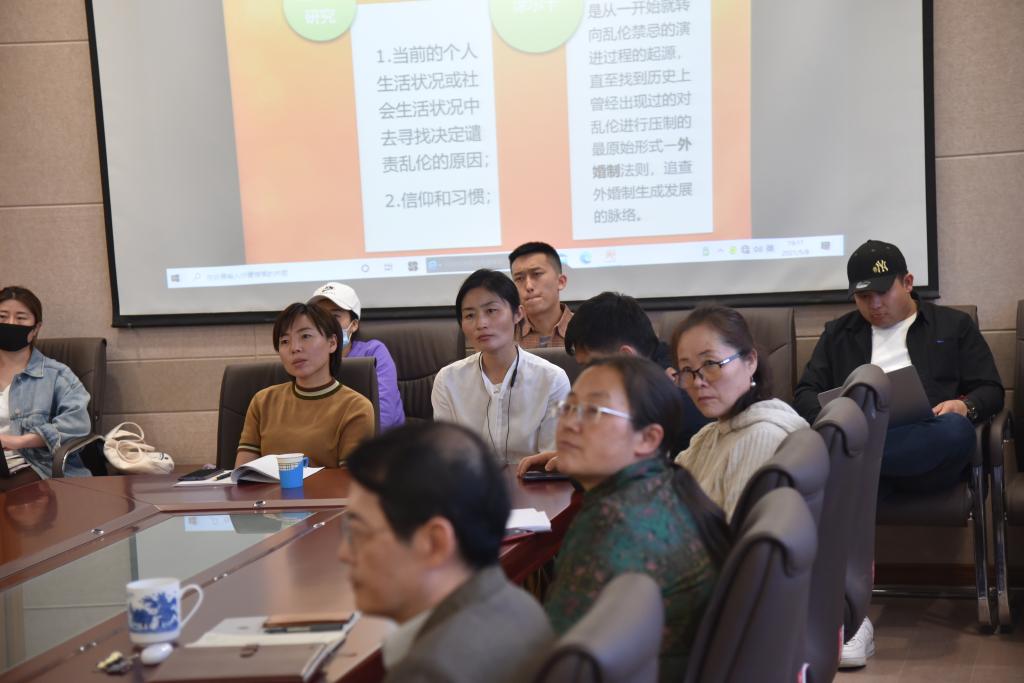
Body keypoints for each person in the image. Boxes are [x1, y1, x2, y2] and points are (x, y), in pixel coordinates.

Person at [792, 239, 1004, 668]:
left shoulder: (953, 325)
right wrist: (840, 417)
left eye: (882, 292)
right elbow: (806, 394)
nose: (873, 304)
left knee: (954, 431)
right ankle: (852, 621)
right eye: (862, 296)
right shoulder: (839, 334)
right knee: (843, 462)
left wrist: (964, 406)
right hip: (866, 460)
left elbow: (990, 390)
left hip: (926, 455)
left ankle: (852, 461)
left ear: (907, 282)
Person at [544, 356, 728, 682]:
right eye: (569, 407)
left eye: (593, 411)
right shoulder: (668, 483)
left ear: (648, 438)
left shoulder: (609, 525)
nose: (570, 423)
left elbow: (557, 665)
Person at [338, 422, 552, 682]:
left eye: (359, 533)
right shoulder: (522, 607)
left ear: (435, 543)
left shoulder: (427, 673)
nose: (343, 554)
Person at [516, 291, 710, 476]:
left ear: (626, 356)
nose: (588, 379)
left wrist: (583, 464)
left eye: (592, 367)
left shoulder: (672, 397)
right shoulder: (644, 379)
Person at [673, 305, 808, 520]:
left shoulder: (761, 437)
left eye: (710, 363)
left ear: (750, 361)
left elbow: (736, 536)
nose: (697, 382)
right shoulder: (710, 434)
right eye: (687, 370)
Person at [431, 269, 570, 463]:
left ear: (518, 314)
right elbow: (447, 456)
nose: (481, 324)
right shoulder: (448, 380)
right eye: (470, 315)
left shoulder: (552, 379)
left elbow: (552, 460)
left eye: (491, 311)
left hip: (532, 480)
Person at [235, 302, 374, 468]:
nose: (294, 348)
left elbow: (351, 479)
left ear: (332, 343)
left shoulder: (356, 407)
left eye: (306, 336)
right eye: (285, 341)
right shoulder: (263, 401)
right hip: (266, 487)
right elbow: (243, 473)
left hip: (327, 487)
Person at [0, 286, 91, 487]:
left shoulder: (57, 375)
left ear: (36, 328)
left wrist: (18, 441)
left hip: (36, 465)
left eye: (20, 318)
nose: (10, 323)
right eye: (2, 317)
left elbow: (77, 424)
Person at [310, 282, 406, 429]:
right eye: (319, 317)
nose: (325, 324)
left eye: (335, 316)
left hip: (382, 440)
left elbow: (383, 414)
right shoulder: (308, 358)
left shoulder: (373, 352)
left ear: (354, 325)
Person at [508, 242, 573, 349]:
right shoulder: (505, 335)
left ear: (560, 282)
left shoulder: (588, 329)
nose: (528, 286)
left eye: (536, 274)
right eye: (519, 278)